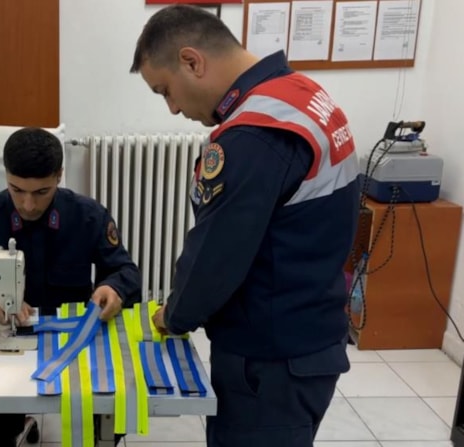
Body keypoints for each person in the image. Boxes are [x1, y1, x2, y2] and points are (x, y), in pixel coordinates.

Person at [130, 5, 360, 447]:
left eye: (165, 91)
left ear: (192, 61)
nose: (173, 108)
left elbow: (216, 255)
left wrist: (173, 316)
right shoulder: (301, 94)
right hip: (308, 327)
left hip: (270, 358)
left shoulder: (255, 135)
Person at [0, 126, 142, 447]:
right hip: (2, 342)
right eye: (16, 190)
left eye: (41, 192)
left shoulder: (88, 217)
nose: (28, 205)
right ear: (5, 175)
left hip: (73, 342)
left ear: (59, 175)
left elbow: (125, 271)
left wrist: (114, 288)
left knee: (107, 411)